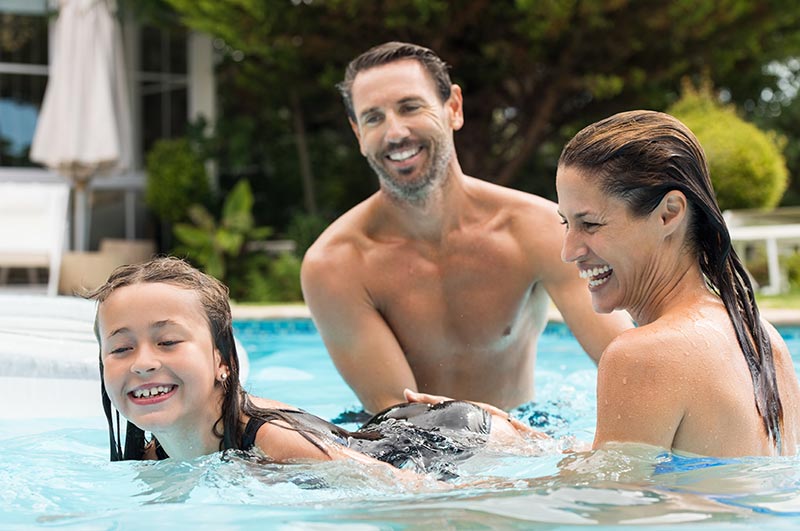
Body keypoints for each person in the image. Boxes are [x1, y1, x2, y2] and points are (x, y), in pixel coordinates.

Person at [301, 41, 632, 415]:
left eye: (410, 107)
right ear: (358, 135)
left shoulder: (538, 229)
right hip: (419, 456)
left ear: (453, 108)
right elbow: (400, 419)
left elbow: (628, 368)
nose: (395, 133)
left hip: (528, 440)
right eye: (373, 118)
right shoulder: (335, 266)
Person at [88, 257, 540, 478]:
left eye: (167, 342)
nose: (144, 363)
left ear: (222, 361)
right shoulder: (152, 451)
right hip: (376, 431)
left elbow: (408, 492)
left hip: (447, 437)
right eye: (121, 348)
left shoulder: (271, 441)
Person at [553, 109, 800, 456]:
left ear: (669, 213)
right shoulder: (764, 339)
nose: (569, 251)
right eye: (566, 223)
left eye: (590, 225)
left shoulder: (641, 357)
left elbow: (610, 504)